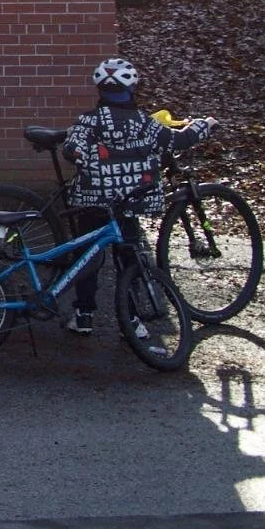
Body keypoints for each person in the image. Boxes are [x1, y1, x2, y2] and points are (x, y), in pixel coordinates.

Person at [59, 57, 215, 335]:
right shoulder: (144, 122)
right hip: (128, 203)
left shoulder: (88, 122)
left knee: (87, 256)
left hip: (93, 200)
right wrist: (203, 126)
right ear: (132, 89)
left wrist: (81, 155)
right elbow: (177, 140)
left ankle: (84, 315)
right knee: (130, 258)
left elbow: (71, 148)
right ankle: (131, 319)